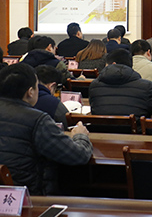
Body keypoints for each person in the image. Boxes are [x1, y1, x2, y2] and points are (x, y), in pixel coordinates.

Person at [0, 63, 93, 195]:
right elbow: (78, 156)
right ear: (30, 92)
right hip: (29, 197)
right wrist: (80, 136)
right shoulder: (37, 120)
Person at [89, 48, 152, 118]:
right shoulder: (147, 87)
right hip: (136, 127)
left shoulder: (94, 86)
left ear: (113, 64)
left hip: (100, 127)